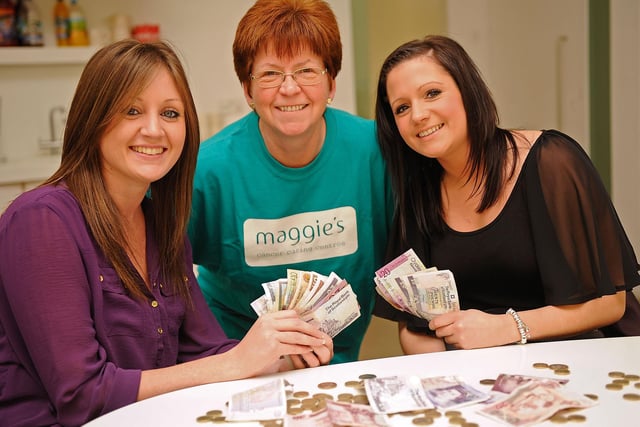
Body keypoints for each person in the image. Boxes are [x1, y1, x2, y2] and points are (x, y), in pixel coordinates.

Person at [0, 39, 333, 427]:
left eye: (171, 113)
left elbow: (206, 351)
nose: (154, 130)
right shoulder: (41, 221)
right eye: (132, 110)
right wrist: (236, 363)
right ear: (93, 119)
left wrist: (283, 353)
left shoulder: (160, 223)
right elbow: (81, 396)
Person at [373, 35, 640, 353]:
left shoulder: (551, 160)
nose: (418, 115)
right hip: (480, 382)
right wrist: (444, 388)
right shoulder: (416, 194)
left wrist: (506, 327)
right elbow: (416, 329)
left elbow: (609, 304)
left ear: (467, 91)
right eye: (402, 108)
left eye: (432, 93)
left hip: (582, 361)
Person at [188, 0, 392, 363]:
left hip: (339, 362)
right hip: (234, 362)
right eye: (269, 74)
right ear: (247, 91)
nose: (289, 88)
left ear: (331, 82)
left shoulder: (376, 152)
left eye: (306, 71)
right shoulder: (208, 169)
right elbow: (160, 282)